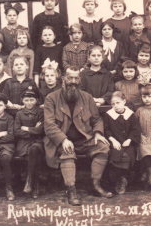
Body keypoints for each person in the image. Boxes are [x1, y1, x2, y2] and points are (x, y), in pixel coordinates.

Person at [44, 66, 112, 206]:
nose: (73, 81)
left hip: (85, 140)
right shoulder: (51, 98)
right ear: (63, 79)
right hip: (63, 141)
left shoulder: (87, 98)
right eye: (70, 78)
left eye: (76, 78)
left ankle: (95, 184)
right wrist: (62, 139)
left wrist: (98, 133)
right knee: (67, 152)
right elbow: (49, 125)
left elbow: (97, 119)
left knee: (103, 147)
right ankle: (71, 189)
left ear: (79, 80)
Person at [104, 91, 141, 194]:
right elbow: (106, 130)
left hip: (128, 142)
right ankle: (121, 179)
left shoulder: (130, 114)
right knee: (117, 154)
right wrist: (113, 140)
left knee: (128, 155)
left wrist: (129, 140)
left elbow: (135, 130)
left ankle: (121, 178)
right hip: (114, 142)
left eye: (118, 103)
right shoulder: (108, 115)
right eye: (113, 104)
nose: (115, 106)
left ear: (124, 101)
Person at [14, 87, 44, 199]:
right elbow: (16, 132)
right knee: (32, 156)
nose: (29, 102)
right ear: (22, 101)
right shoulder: (19, 114)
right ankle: (35, 186)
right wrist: (33, 130)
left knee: (34, 149)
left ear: (36, 100)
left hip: (37, 142)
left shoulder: (40, 112)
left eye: (32, 100)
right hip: (23, 143)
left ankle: (30, 182)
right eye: (26, 100)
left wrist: (25, 128)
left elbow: (41, 130)